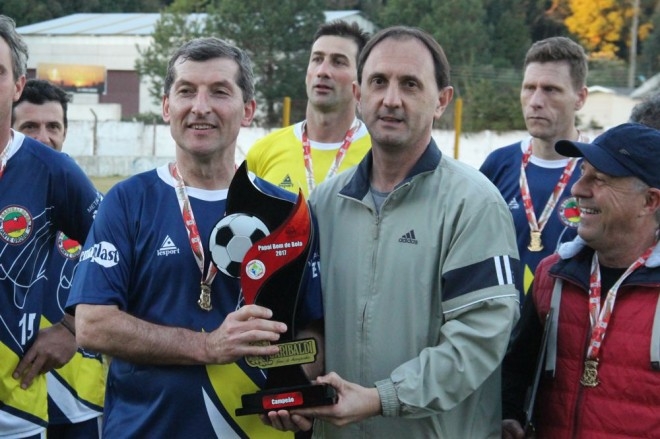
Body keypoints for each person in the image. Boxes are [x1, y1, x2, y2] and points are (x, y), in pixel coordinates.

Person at [264, 26, 521, 438]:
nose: (392, 99)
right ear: (358, 94)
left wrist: (382, 397)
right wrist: (293, 391)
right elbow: (309, 324)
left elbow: (479, 339)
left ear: (441, 101)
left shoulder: (474, 204)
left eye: (410, 84)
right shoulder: (324, 205)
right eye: (379, 82)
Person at [66, 37, 324, 438]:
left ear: (248, 111)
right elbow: (93, 325)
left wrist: (298, 393)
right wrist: (207, 346)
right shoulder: (127, 201)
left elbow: (312, 330)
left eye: (220, 92)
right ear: (167, 107)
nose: (200, 107)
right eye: (186, 91)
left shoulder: (289, 212)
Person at [501, 122, 660, 438]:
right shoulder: (553, 275)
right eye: (583, 172)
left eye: (599, 179)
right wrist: (508, 415)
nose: (578, 188)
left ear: (650, 201)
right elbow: (515, 373)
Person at [0, 15, 102, 439]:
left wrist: (72, 328)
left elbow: (113, 250)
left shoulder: (52, 171)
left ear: (18, 86)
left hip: (13, 410)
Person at [480, 37, 589, 299]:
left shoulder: (597, 171)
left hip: (570, 327)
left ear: (580, 98)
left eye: (551, 89)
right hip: (503, 329)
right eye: (529, 88)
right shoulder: (497, 165)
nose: (536, 101)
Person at [246, 20, 371, 197]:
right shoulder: (263, 151)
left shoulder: (378, 154)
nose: (322, 71)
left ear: (360, 79)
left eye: (338, 62)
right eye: (317, 59)